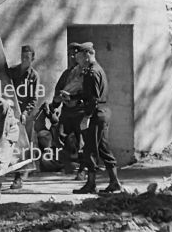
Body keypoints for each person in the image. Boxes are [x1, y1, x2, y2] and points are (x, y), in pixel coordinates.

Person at [71, 42, 122, 194]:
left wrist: (86, 116)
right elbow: (90, 94)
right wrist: (72, 96)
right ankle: (114, 182)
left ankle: (91, 184)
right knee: (103, 148)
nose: (76, 58)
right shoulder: (96, 70)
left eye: (79, 55)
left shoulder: (92, 73)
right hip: (102, 112)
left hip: (96, 113)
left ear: (87, 55)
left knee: (90, 149)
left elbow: (93, 99)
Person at [7, 44, 40, 189]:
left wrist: (25, 113)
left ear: (32, 58)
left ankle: (19, 177)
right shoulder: (12, 72)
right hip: (10, 113)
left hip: (25, 115)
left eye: (27, 57)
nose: (24, 59)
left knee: (23, 146)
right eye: (22, 56)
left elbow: (33, 99)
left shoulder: (33, 76)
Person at [51, 42, 86, 177]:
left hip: (80, 111)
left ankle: (83, 169)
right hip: (67, 111)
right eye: (69, 54)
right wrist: (55, 104)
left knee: (81, 141)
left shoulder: (84, 73)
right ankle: (69, 165)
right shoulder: (66, 74)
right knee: (62, 136)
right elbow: (58, 90)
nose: (72, 57)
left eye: (75, 54)